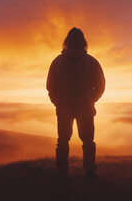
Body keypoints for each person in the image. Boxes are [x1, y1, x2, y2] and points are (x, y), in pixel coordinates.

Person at [46, 27, 105, 178]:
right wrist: (91, 100)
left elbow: (50, 86)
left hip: (64, 109)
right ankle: (90, 173)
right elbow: (100, 85)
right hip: (85, 108)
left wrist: (57, 102)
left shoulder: (57, 62)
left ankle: (61, 172)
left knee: (63, 141)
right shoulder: (91, 62)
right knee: (88, 142)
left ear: (66, 41)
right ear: (84, 42)